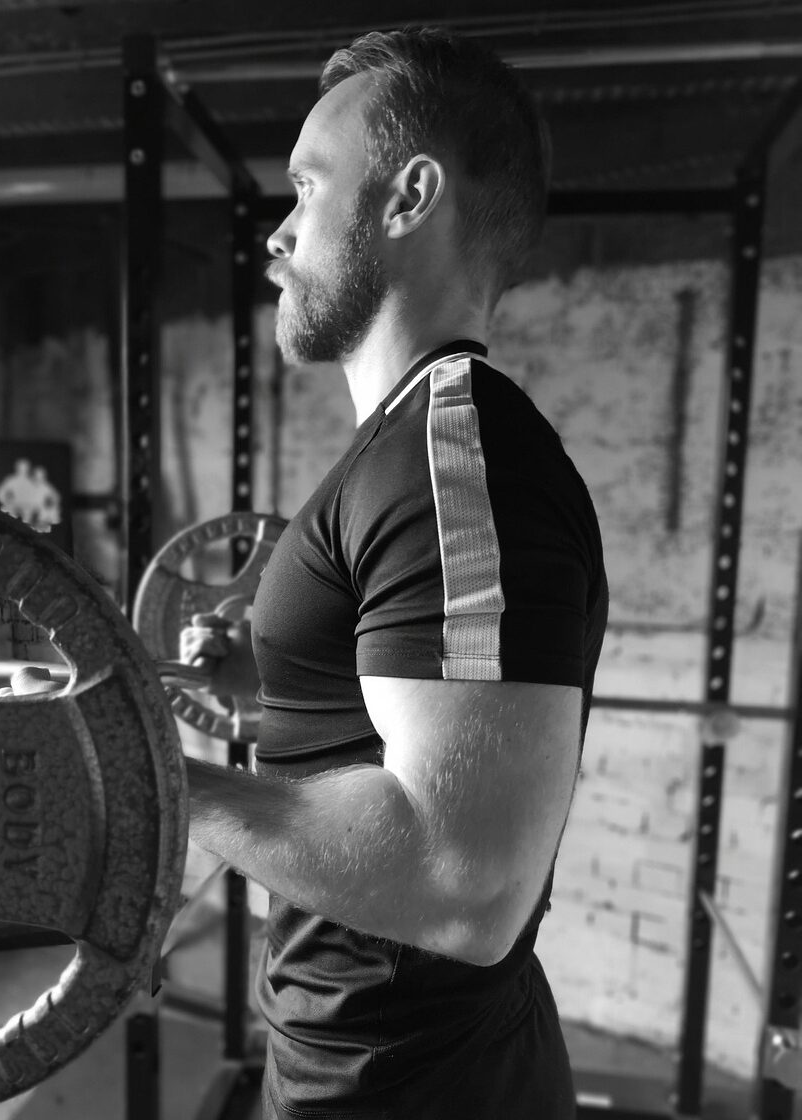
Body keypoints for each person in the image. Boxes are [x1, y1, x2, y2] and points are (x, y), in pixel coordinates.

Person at [182, 27, 608, 1119]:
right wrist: (268, 698)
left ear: (409, 196)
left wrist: (155, 785)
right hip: (350, 1061)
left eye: (307, 188)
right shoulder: (403, 449)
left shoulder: (455, 454)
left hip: (416, 1089)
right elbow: (373, 732)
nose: (276, 233)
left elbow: (467, 887)